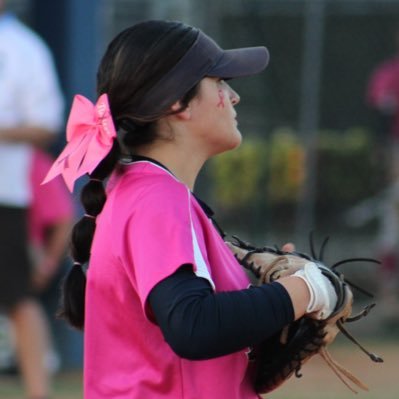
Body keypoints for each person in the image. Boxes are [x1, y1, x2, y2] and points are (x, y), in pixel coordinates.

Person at [44, 20, 337, 398]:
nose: (234, 97)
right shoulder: (155, 198)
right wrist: (307, 290)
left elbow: (187, 339)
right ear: (176, 102)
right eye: (219, 82)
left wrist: (267, 308)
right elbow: (193, 326)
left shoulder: (141, 191)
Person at [0, 2, 65, 398]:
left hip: (5, 193)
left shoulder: (24, 47)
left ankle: (38, 392)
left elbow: (45, 123)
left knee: (18, 297)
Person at [366, 26, 399, 324]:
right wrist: (389, 160)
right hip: (397, 153)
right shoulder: (390, 73)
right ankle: (389, 297)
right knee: (391, 228)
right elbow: (381, 118)